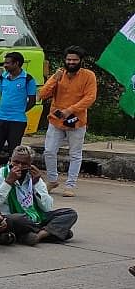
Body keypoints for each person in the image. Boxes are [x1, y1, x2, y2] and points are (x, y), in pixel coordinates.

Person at [0, 146, 78, 245]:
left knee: (70, 213)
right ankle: (52, 231)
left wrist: (36, 184)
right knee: (17, 219)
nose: (19, 166)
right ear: (10, 161)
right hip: (13, 218)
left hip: (36, 217)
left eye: (24, 164)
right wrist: (8, 182)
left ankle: (38, 235)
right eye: (16, 162)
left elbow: (47, 207)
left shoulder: (34, 176)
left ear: (30, 164)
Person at [39, 46, 97, 197]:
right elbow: (43, 94)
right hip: (56, 120)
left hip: (77, 121)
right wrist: (54, 80)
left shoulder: (88, 76)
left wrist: (70, 110)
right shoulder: (59, 74)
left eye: (74, 60)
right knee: (49, 151)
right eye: (69, 59)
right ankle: (52, 180)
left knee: (75, 154)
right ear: (65, 60)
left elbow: (90, 98)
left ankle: (70, 185)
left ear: (81, 61)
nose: (71, 62)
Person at [0, 51, 36, 175]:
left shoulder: (28, 79)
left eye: (8, 63)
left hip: (17, 121)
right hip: (0, 118)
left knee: (14, 151)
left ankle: (14, 175)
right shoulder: (3, 77)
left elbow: (32, 100)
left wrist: (19, 111)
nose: (5, 65)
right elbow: (2, 94)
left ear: (16, 63)